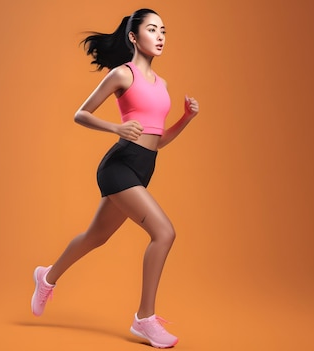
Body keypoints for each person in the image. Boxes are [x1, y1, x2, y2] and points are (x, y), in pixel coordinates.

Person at [30, 8, 199, 348]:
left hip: (143, 166)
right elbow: (81, 114)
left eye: (164, 30)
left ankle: (46, 277)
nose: (161, 36)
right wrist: (116, 127)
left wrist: (185, 119)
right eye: (153, 29)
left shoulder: (162, 84)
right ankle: (144, 319)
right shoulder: (123, 75)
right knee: (164, 232)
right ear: (134, 37)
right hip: (119, 166)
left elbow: (158, 140)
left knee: (95, 237)